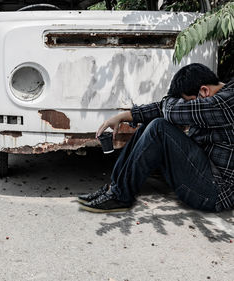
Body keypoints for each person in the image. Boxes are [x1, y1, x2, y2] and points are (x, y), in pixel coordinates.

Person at [78, 63, 234, 213]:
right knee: (150, 126)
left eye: (187, 102)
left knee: (159, 127)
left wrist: (168, 102)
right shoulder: (215, 98)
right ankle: (115, 188)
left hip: (215, 192)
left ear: (205, 91)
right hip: (205, 174)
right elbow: (165, 109)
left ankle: (120, 196)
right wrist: (122, 116)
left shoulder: (228, 102)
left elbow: (172, 111)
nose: (185, 105)